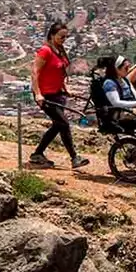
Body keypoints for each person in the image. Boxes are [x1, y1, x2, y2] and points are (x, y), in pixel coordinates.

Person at [30, 21, 88, 170]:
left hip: (57, 94)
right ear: (52, 35)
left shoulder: (59, 50)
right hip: (45, 95)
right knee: (63, 123)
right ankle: (74, 157)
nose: (64, 40)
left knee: (58, 124)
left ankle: (37, 154)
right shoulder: (45, 51)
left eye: (65, 37)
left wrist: (65, 87)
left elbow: (59, 72)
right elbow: (35, 72)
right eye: (61, 37)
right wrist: (38, 94)